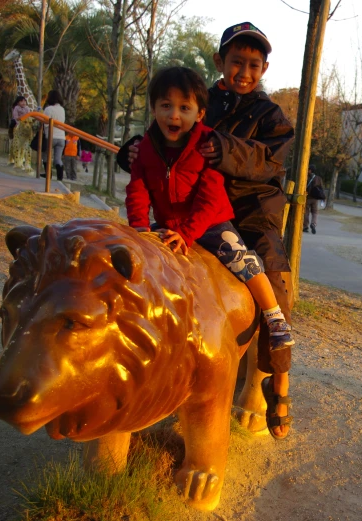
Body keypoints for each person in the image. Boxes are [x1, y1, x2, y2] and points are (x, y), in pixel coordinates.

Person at [117, 24, 295, 439]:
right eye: (237, 62)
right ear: (221, 62)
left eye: (254, 65)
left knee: (272, 276)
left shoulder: (271, 115)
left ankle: (277, 378)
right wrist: (132, 152)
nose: (244, 72)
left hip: (250, 209)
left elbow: (272, 160)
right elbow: (163, 137)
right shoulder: (198, 97)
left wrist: (225, 150)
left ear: (265, 68)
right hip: (183, 206)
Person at [43, 90, 66, 181]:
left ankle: (48, 175)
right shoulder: (62, 109)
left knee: (46, 156)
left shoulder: (48, 109)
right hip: (61, 137)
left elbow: (46, 123)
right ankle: (60, 178)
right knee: (57, 159)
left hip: (51, 136)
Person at [303, 164, 324, 234]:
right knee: (315, 212)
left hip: (307, 197)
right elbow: (321, 188)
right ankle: (313, 224)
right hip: (315, 198)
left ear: (310, 170)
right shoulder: (319, 178)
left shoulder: (306, 177)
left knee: (306, 212)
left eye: (308, 169)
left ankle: (305, 226)